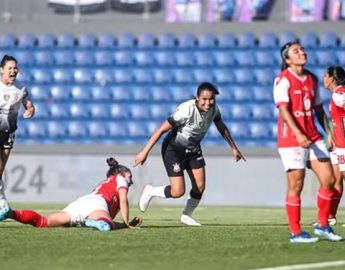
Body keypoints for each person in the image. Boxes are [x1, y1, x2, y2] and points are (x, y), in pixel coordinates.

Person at [134, 82, 246, 226]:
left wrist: (234, 148)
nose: (208, 102)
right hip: (173, 149)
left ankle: (186, 215)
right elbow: (162, 129)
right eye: (204, 99)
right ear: (197, 98)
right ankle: (150, 191)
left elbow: (221, 127)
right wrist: (145, 152)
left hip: (193, 150)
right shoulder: (186, 110)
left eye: (211, 99)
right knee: (178, 191)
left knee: (200, 186)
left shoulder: (214, 110)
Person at [273, 41, 342, 243]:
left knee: (329, 179)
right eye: (296, 51)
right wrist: (298, 134)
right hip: (291, 138)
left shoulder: (311, 79)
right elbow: (283, 110)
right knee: (297, 184)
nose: (302, 52)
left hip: (313, 136)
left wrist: (329, 132)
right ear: (287, 60)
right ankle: (295, 232)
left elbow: (319, 109)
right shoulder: (283, 79)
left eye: (302, 49)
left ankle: (323, 225)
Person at [1, 157, 142, 231]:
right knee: (106, 225)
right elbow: (123, 200)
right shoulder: (120, 179)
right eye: (130, 177)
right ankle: (89, 223)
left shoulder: (106, 183)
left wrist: (125, 224)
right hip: (96, 203)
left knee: (42, 222)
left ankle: (11, 213)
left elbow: (108, 220)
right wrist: (126, 223)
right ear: (122, 174)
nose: (131, 181)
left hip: (80, 204)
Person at [0, 55, 35, 221]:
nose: (13, 71)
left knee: (0, 170)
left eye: (15, 68)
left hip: (8, 133)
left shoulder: (20, 88)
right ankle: (2, 202)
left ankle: (2, 203)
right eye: (10, 68)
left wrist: (30, 110)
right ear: (2, 70)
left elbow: (29, 104)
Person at [323, 65, 345, 225]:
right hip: (338, 144)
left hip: (344, 144)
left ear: (332, 78)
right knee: (336, 179)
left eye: (325, 76)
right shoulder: (336, 95)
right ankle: (329, 216)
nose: (323, 79)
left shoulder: (340, 94)